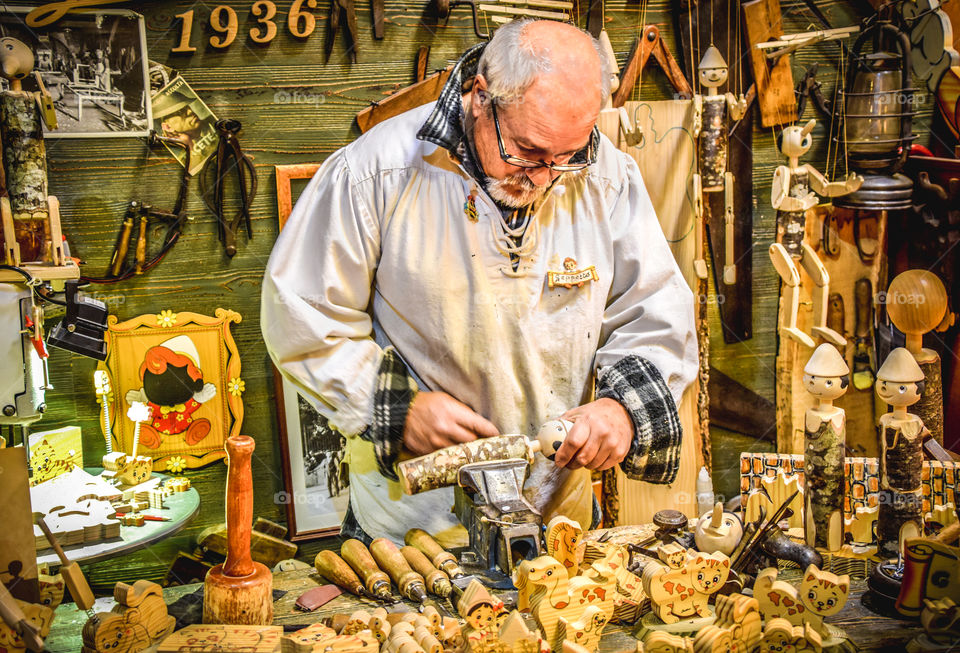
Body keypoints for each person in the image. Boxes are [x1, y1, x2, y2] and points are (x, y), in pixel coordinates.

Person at [262, 19, 698, 545]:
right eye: (527, 150)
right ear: (481, 97)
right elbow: (303, 316)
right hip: (412, 535)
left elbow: (656, 311)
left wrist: (621, 410)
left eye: (567, 157)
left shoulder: (606, 175)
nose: (543, 176)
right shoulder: (376, 173)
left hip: (558, 524)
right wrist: (396, 410)